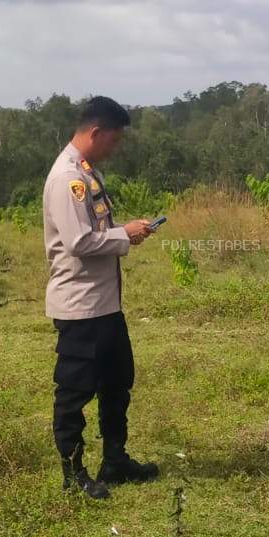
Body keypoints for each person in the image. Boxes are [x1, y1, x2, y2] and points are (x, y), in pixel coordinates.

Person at [42, 96, 160, 499]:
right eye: (114, 139)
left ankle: (115, 460)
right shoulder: (67, 178)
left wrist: (125, 234)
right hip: (80, 308)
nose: (116, 146)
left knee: (116, 383)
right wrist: (124, 233)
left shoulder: (87, 173)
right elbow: (78, 241)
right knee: (74, 392)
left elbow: (97, 235)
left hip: (105, 304)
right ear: (95, 132)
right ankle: (73, 474)